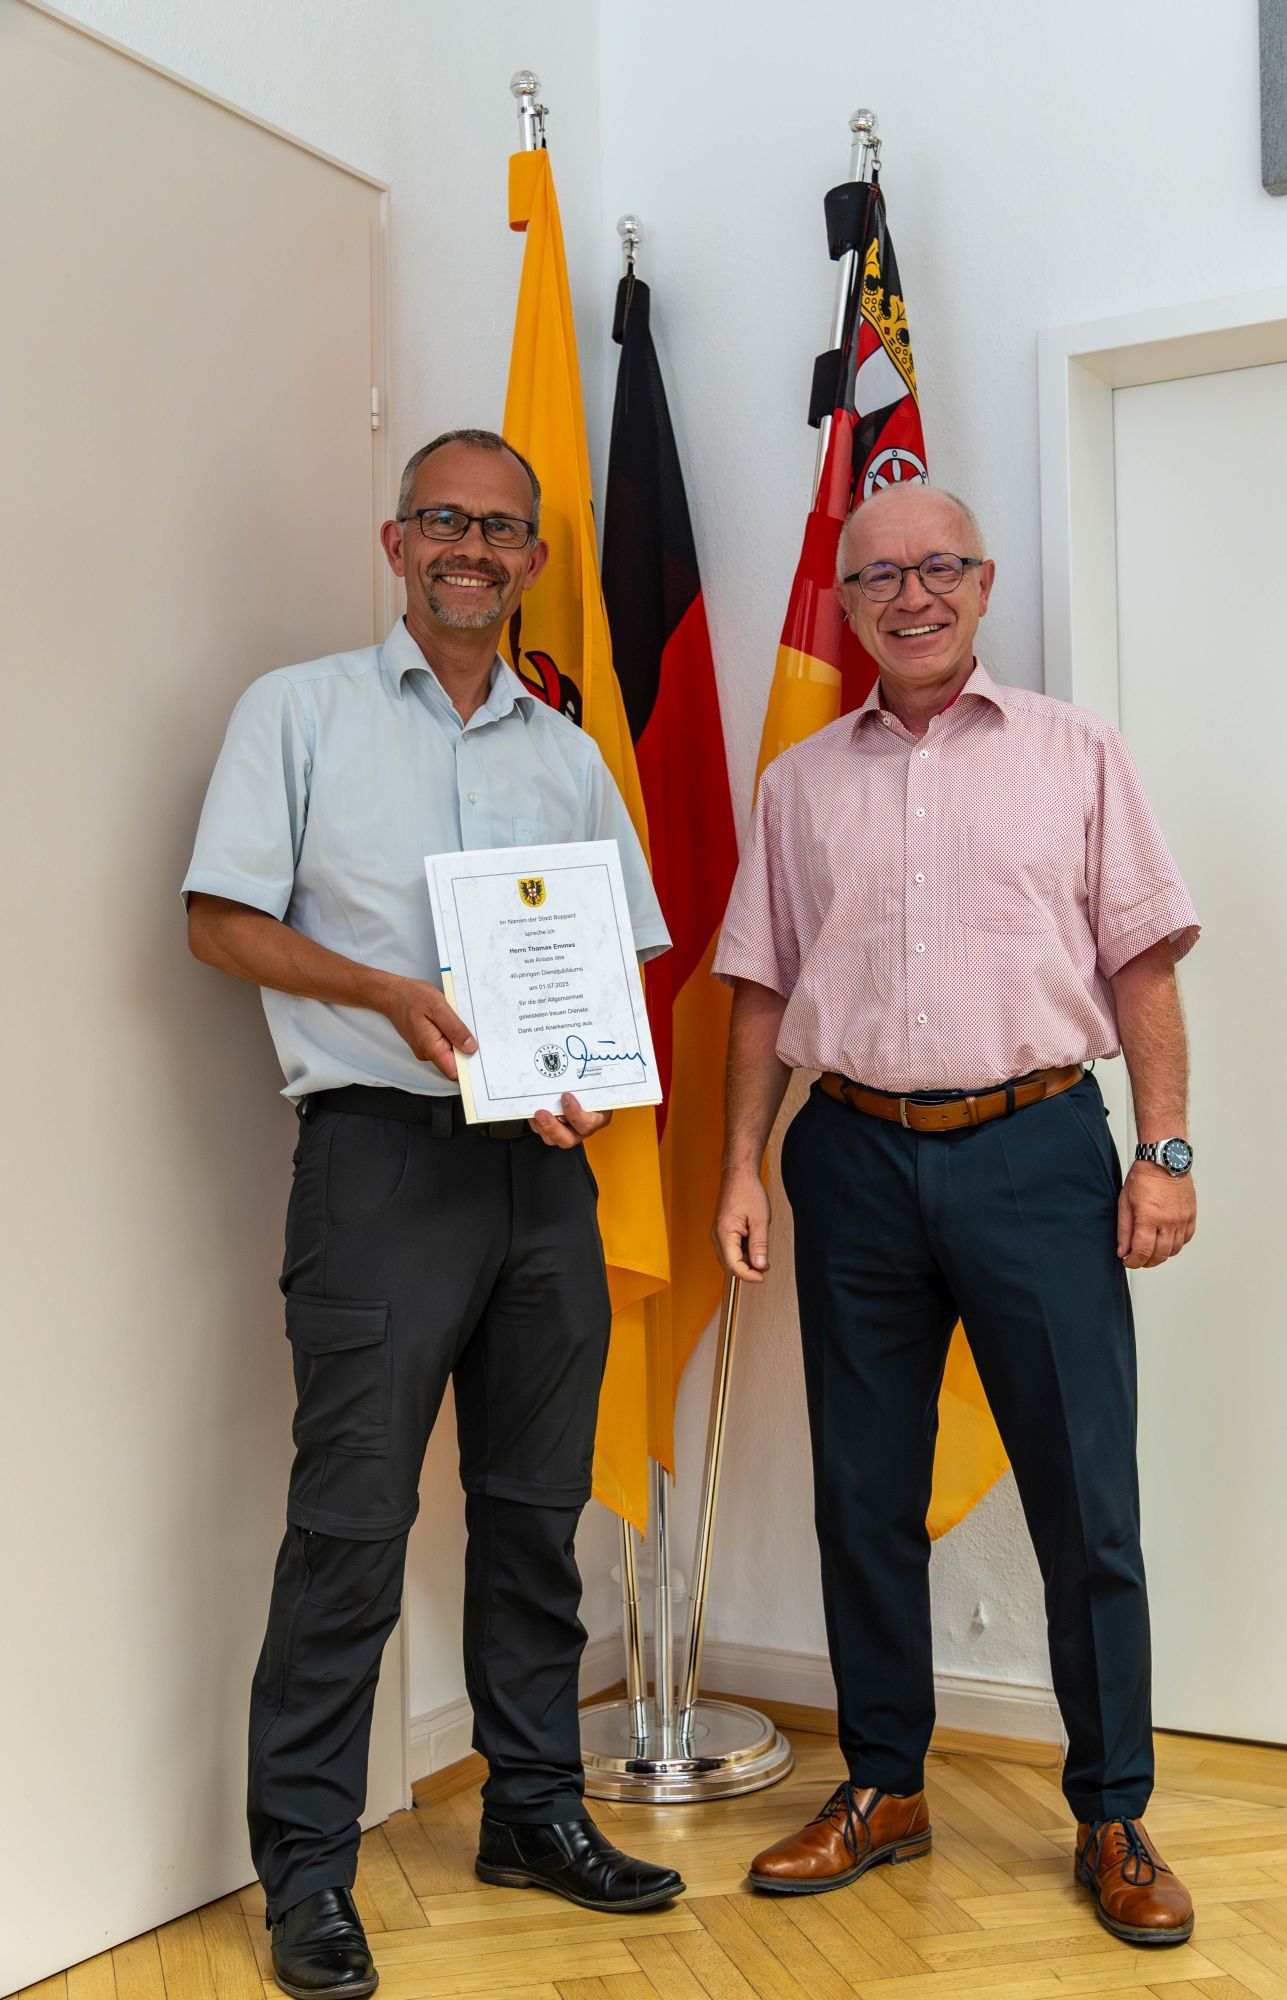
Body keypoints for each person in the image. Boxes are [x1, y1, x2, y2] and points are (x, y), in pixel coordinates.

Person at [184, 428, 684, 2000]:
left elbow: (620, 954)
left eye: (502, 529)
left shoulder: (567, 748)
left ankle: (530, 1811)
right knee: (351, 1530)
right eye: (443, 522)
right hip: (380, 1163)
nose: (474, 547)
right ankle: (310, 1876)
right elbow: (217, 921)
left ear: (533, 561)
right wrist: (386, 993)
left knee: (536, 1516)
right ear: (395, 543)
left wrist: (591, 1067)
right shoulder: (301, 711)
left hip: (542, 1169)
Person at [711, 482, 1200, 1950]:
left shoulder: (1074, 754)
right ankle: (883, 1786)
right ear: (844, 604)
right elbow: (756, 989)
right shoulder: (798, 785)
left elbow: (1142, 969)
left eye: (938, 569)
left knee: (1083, 1506)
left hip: (1035, 1153)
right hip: (850, 1160)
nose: (909, 596)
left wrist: (1163, 1150)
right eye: (878, 578)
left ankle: (1111, 1812)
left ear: (980, 585)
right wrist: (742, 1164)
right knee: (860, 1501)